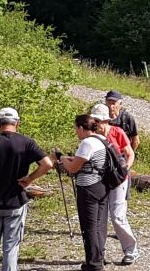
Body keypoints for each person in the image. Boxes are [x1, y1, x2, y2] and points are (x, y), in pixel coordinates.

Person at [0, 108, 54, 271]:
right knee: (11, 247)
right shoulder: (26, 142)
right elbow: (47, 164)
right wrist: (30, 178)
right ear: (17, 123)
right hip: (16, 200)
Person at [56, 114, 112, 271]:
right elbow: (82, 160)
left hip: (88, 187)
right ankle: (99, 257)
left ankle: (93, 264)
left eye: (76, 128)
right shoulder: (102, 140)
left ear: (81, 128)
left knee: (89, 226)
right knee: (100, 224)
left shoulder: (86, 143)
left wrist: (61, 158)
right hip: (102, 185)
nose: (75, 131)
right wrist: (68, 158)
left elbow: (73, 168)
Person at [87, 102, 138, 264]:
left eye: (99, 121)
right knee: (100, 217)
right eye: (94, 120)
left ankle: (131, 250)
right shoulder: (92, 135)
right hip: (100, 180)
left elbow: (130, 153)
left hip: (118, 179)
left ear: (106, 121)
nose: (96, 124)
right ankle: (99, 254)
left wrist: (125, 170)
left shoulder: (117, 132)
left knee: (117, 216)